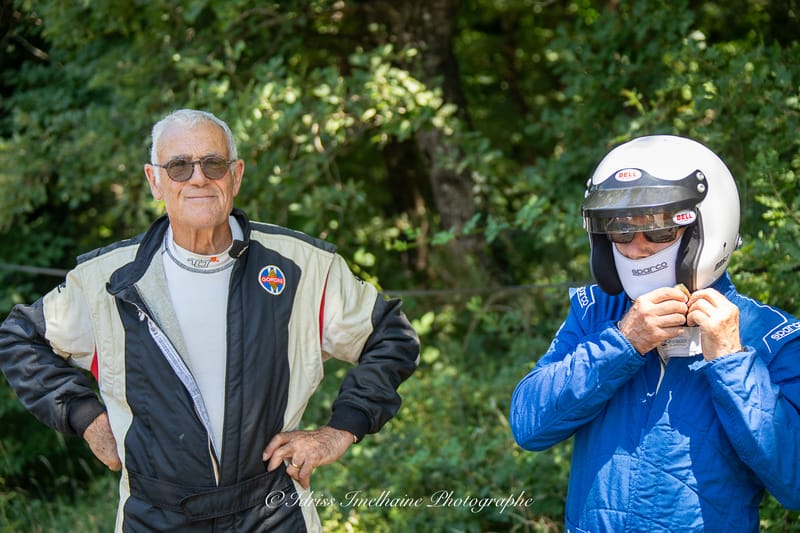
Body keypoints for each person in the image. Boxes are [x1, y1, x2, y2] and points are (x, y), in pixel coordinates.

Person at [0, 108, 420, 532]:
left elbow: (391, 335)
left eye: (213, 164)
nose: (198, 177)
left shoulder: (303, 267)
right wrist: (87, 419)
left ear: (235, 175)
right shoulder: (106, 280)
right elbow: (20, 338)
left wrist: (340, 430)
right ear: (155, 181)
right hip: (153, 516)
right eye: (179, 166)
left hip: (273, 513)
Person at [510, 135, 800, 531]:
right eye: (621, 230)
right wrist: (623, 342)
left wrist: (733, 362)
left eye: (660, 230)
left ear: (706, 225)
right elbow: (529, 425)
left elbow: (794, 482)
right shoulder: (595, 313)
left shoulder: (769, 334)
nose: (636, 248)